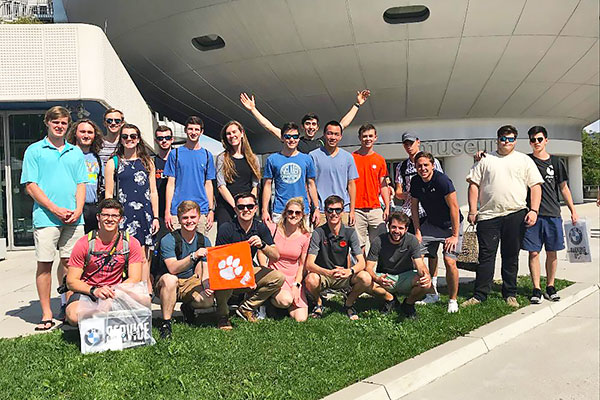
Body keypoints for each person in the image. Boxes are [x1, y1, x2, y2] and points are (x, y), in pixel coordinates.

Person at [462, 125, 544, 308]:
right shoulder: (484, 159)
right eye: (503, 139)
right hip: (488, 216)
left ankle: (510, 293)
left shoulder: (524, 160)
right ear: (497, 139)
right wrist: (473, 211)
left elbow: (536, 186)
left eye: (511, 139)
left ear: (515, 140)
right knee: (486, 256)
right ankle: (480, 294)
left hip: (515, 214)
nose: (507, 142)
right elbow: (473, 185)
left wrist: (534, 210)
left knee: (510, 255)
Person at [21, 106, 87, 330]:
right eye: (55, 122)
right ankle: (46, 313)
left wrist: (78, 210)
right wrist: (55, 209)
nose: (60, 126)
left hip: (73, 219)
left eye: (64, 123)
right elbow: (31, 186)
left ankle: (67, 307)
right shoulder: (34, 150)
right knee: (45, 265)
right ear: (47, 123)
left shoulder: (75, 152)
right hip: (46, 218)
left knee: (71, 264)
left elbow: (81, 184)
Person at [64, 198, 143, 326]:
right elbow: (71, 281)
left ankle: (99, 318)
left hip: (117, 290)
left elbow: (135, 278)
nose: (109, 219)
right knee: (73, 316)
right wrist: (94, 290)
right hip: (88, 290)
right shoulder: (84, 243)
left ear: (121, 219)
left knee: (144, 302)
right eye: (105, 215)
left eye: (114, 216)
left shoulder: (131, 243)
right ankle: (102, 319)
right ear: (98, 217)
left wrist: (113, 291)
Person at [523, 126, 578, 303]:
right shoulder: (526, 161)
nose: (536, 143)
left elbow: (563, 188)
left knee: (552, 252)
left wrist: (573, 210)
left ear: (546, 140)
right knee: (533, 253)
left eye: (539, 139)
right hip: (532, 215)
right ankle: (536, 289)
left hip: (553, 214)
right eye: (533, 140)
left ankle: (551, 286)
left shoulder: (556, 162)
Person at [214, 192, 284, 329]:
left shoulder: (260, 227)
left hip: (248, 269)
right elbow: (219, 260)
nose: (246, 210)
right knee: (221, 282)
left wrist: (262, 245)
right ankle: (223, 316)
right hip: (229, 272)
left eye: (250, 206)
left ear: (256, 208)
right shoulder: (226, 228)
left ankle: (246, 307)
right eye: (241, 207)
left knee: (278, 277)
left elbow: (275, 256)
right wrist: (244, 279)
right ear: (235, 209)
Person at [105, 123, 160, 294]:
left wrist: (156, 216)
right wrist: (110, 216)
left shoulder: (147, 161)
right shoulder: (114, 162)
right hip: (124, 214)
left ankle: (144, 289)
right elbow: (108, 193)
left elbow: (153, 192)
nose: (129, 140)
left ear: (138, 139)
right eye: (125, 136)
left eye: (133, 136)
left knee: (144, 254)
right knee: (125, 254)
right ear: (120, 140)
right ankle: (128, 289)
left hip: (144, 213)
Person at [410, 152, 463, 313]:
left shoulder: (442, 180)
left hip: (450, 225)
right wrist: (418, 232)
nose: (423, 168)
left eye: (426, 165)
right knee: (416, 254)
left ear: (432, 165)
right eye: (419, 165)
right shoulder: (416, 181)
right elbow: (414, 207)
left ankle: (453, 300)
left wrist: (454, 235)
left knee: (449, 261)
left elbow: (454, 207)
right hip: (431, 224)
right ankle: (432, 293)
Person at [304, 195, 371, 320]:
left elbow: (362, 263)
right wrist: (328, 272)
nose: (334, 213)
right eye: (330, 210)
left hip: (344, 274)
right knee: (310, 279)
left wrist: (349, 271)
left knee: (366, 278)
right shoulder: (318, 233)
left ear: (342, 212)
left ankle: (349, 303)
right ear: (325, 211)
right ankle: (319, 303)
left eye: (337, 210)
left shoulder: (350, 232)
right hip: (324, 275)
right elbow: (309, 264)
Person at [240, 90, 371, 153]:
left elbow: (343, 124)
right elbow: (269, 127)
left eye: (314, 124)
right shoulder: (295, 140)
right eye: (308, 124)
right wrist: (253, 109)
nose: (311, 127)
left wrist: (357, 104)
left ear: (317, 127)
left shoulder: (323, 140)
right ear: (303, 126)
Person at [394, 132, 442, 305]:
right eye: (406, 143)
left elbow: (439, 183)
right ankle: (421, 285)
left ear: (418, 142)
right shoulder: (402, 166)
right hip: (410, 212)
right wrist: (409, 193)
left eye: (411, 143)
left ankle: (433, 286)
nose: (409, 146)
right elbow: (398, 191)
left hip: (429, 213)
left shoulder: (432, 162)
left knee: (432, 253)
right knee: (414, 252)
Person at [154, 201, 213, 339]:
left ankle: (188, 308)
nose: (189, 221)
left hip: (189, 281)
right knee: (170, 279)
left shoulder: (204, 240)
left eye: (193, 217)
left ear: (199, 218)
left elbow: (205, 267)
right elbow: (172, 268)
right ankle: (166, 323)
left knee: (207, 301)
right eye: (185, 218)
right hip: (167, 282)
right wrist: (193, 256)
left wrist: (206, 285)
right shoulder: (168, 239)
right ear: (179, 220)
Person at [365, 212, 431, 319]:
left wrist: (425, 275)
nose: (397, 231)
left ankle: (408, 304)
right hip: (385, 277)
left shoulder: (412, 240)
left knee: (426, 283)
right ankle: (390, 299)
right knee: (364, 279)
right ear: (388, 227)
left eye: (400, 228)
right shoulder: (379, 241)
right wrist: (377, 279)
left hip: (405, 276)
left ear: (406, 229)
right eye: (393, 227)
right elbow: (368, 267)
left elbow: (419, 264)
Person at [164, 116, 216, 234]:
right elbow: (170, 184)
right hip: (177, 211)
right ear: (185, 130)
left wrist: (211, 210)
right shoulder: (174, 154)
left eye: (197, 129)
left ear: (201, 132)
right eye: (190, 129)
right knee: (177, 249)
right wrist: (167, 211)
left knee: (200, 249)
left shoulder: (207, 155)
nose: (193, 132)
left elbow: (208, 184)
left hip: (201, 211)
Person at [262, 122, 320, 226]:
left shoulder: (307, 159)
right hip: (280, 210)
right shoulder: (272, 159)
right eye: (288, 136)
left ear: (299, 138)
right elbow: (267, 185)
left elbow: (311, 184)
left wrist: (316, 208)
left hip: (302, 210)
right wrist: (264, 210)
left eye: (295, 136)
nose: (291, 140)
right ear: (282, 138)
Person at [267, 198, 311, 322]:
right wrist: (265, 272)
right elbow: (261, 251)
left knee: (301, 319)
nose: (293, 215)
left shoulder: (305, 236)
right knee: (285, 300)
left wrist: (296, 284)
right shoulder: (273, 229)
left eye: (297, 213)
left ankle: (289, 299)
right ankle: (269, 301)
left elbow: (302, 264)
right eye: (290, 212)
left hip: (293, 276)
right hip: (275, 274)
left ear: (302, 215)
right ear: (285, 213)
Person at [310, 121, 359, 225]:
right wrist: (316, 208)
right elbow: (311, 184)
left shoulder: (348, 157)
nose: (333, 137)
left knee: (345, 241)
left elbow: (351, 185)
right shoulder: (313, 156)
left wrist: (352, 211)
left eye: (336, 134)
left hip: (343, 211)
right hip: (322, 211)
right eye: (330, 133)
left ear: (341, 136)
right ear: (324, 135)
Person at [352, 123, 390, 252]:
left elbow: (383, 185)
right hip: (357, 209)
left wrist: (387, 207)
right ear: (359, 138)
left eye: (370, 136)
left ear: (375, 138)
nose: (367, 139)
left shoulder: (380, 160)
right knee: (358, 245)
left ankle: (375, 271)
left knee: (380, 244)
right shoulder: (352, 158)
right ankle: (361, 271)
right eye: (364, 136)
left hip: (375, 209)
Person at [215, 121, 261, 225]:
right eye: (228, 134)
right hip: (227, 206)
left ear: (241, 133)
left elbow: (255, 185)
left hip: (246, 207)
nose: (232, 136)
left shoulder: (253, 159)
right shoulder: (222, 158)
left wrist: (249, 205)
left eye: (234, 132)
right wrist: (236, 207)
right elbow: (221, 186)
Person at [66, 119, 104, 233]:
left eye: (90, 132)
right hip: (73, 207)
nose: (86, 135)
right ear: (75, 134)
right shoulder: (68, 156)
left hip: (92, 208)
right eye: (82, 132)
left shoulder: (97, 158)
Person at [153, 125, 174, 238]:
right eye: (160, 138)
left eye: (167, 137)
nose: (164, 141)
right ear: (156, 141)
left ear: (172, 139)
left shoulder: (178, 159)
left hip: (175, 210)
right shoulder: (152, 162)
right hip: (158, 211)